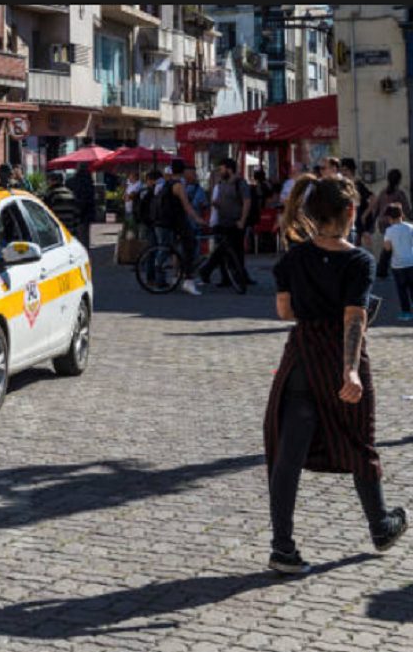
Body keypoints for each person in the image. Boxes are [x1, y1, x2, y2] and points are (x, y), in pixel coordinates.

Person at [264, 175, 408, 574]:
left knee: (287, 456)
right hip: (338, 357)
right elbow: (354, 318)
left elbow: (284, 312)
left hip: (302, 356)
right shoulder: (358, 261)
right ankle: (380, 524)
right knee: (359, 439)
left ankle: (282, 548)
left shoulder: (292, 259)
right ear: (350, 212)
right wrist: (350, 370)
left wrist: (313, 304)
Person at [200, 157, 255, 287]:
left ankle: (209, 271)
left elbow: (247, 202)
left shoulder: (240, 183)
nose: (220, 171)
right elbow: (221, 201)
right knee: (226, 250)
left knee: (232, 250)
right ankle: (231, 277)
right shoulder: (222, 183)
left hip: (235, 223)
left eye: (222, 169)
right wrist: (216, 205)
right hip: (222, 222)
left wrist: (242, 220)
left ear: (229, 169)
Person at [152, 159, 204, 296]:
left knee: (170, 248)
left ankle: (174, 276)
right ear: (183, 171)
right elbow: (187, 206)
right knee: (190, 246)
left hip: (164, 222)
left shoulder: (167, 183)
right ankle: (188, 279)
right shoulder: (179, 185)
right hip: (176, 222)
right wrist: (198, 219)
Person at [368, 169, 412, 278]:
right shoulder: (399, 193)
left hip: (383, 222)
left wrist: (373, 223)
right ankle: (385, 270)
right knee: (394, 246)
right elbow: (406, 209)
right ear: (399, 180)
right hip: (393, 221)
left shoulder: (383, 192)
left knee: (389, 246)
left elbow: (376, 208)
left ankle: (383, 270)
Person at [382, 203, 413, 321]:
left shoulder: (389, 231)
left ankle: (406, 313)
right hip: (411, 262)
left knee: (402, 290)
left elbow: (388, 248)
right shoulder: (410, 227)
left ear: (389, 218)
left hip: (398, 265)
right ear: (401, 214)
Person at [341, 158, 373, 247]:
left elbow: (373, 199)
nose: (343, 173)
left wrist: (365, 214)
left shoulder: (358, 185)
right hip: (350, 223)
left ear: (351, 170)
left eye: (346, 170)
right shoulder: (344, 185)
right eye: (342, 170)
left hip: (359, 223)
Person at [67, 162, 96, 249]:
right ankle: (85, 251)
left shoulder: (72, 181)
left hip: (74, 210)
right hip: (87, 212)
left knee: (74, 233)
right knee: (85, 234)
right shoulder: (89, 181)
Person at [43, 172, 78, 238]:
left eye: (49, 180)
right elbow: (76, 214)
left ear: (53, 181)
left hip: (56, 231)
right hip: (70, 229)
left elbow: (45, 212)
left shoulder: (51, 194)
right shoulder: (70, 193)